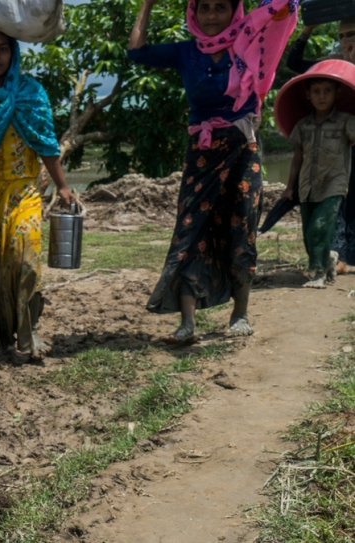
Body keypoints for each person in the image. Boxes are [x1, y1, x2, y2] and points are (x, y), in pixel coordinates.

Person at [128, 0, 297, 343]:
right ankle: (187, 323)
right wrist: (146, 5)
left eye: (221, 7)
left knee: (242, 225)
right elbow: (137, 52)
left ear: (235, 11)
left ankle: (240, 313)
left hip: (242, 149)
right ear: (193, 13)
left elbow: (282, 9)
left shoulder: (249, 40)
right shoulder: (185, 52)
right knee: (192, 229)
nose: (211, 16)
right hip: (202, 154)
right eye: (204, 8)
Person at [0, 30, 75, 362]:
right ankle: (0, 338)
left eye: (3, 49)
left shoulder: (31, 92)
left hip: (24, 189)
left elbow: (47, 145)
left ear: (14, 54)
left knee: (23, 259)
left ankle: (30, 331)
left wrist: (63, 186)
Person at [287, 19, 355, 277]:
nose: (348, 40)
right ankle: (336, 256)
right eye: (343, 35)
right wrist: (307, 30)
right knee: (337, 202)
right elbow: (294, 64)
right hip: (334, 145)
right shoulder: (333, 64)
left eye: (353, 34)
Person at [286, 18, 355, 74]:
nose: (345, 39)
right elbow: (294, 63)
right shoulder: (335, 63)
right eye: (341, 36)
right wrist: (308, 29)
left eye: (351, 34)